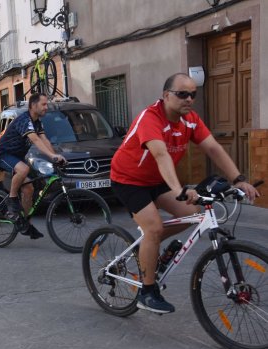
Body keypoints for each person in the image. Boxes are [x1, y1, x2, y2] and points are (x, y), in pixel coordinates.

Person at [110, 72, 260, 314]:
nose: (189, 99)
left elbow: (212, 147)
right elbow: (160, 154)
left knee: (194, 212)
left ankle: (150, 244)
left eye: (193, 94)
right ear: (166, 95)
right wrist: (179, 189)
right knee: (154, 228)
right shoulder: (150, 117)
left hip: (157, 179)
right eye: (182, 94)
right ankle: (146, 292)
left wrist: (239, 179)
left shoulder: (190, 120)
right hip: (129, 179)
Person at [0, 92, 65, 239]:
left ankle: (24, 223)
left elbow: (45, 140)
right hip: (4, 155)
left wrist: (56, 158)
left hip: (17, 157)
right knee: (24, 169)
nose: (47, 107)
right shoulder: (24, 120)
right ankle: (12, 200)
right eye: (43, 104)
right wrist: (52, 156)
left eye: (47, 104)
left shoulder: (37, 122)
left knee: (29, 189)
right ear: (33, 105)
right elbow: (36, 141)